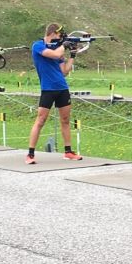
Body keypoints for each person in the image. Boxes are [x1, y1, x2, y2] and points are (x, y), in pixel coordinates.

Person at [26, 23, 83, 164]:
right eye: (59, 35)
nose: (60, 37)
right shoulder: (38, 46)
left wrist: (73, 55)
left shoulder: (58, 48)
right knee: (40, 120)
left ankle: (68, 152)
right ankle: (30, 154)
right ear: (53, 33)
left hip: (62, 87)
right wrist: (64, 45)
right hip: (48, 89)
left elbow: (64, 71)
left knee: (65, 120)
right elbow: (55, 54)